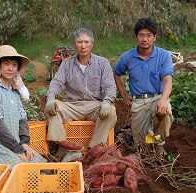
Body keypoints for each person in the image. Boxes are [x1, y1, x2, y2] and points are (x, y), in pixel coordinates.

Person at [45, 28, 117, 159]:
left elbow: (110, 86)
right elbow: (56, 83)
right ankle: (63, 143)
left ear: (92, 44)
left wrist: (107, 102)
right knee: (53, 105)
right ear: (75, 44)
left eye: (86, 42)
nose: (83, 46)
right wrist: (50, 98)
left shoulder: (102, 63)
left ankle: (93, 149)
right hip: (73, 106)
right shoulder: (67, 64)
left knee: (111, 110)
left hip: (95, 106)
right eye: (79, 42)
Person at [0, 45, 47, 168]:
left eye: (14, 65)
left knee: (42, 166)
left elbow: (22, 118)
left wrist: (24, 143)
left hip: (14, 143)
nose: (10, 68)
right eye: (6, 64)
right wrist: (16, 148)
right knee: (23, 171)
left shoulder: (13, 91)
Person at [114, 17, 174, 156]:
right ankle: (138, 136)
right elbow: (117, 73)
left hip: (157, 98)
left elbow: (167, 80)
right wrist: (123, 95)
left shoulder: (163, 55)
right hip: (138, 102)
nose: (144, 39)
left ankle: (159, 145)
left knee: (165, 113)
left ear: (154, 38)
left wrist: (163, 100)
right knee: (141, 149)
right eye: (141, 35)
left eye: (148, 35)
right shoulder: (127, 57)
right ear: (136, 37)